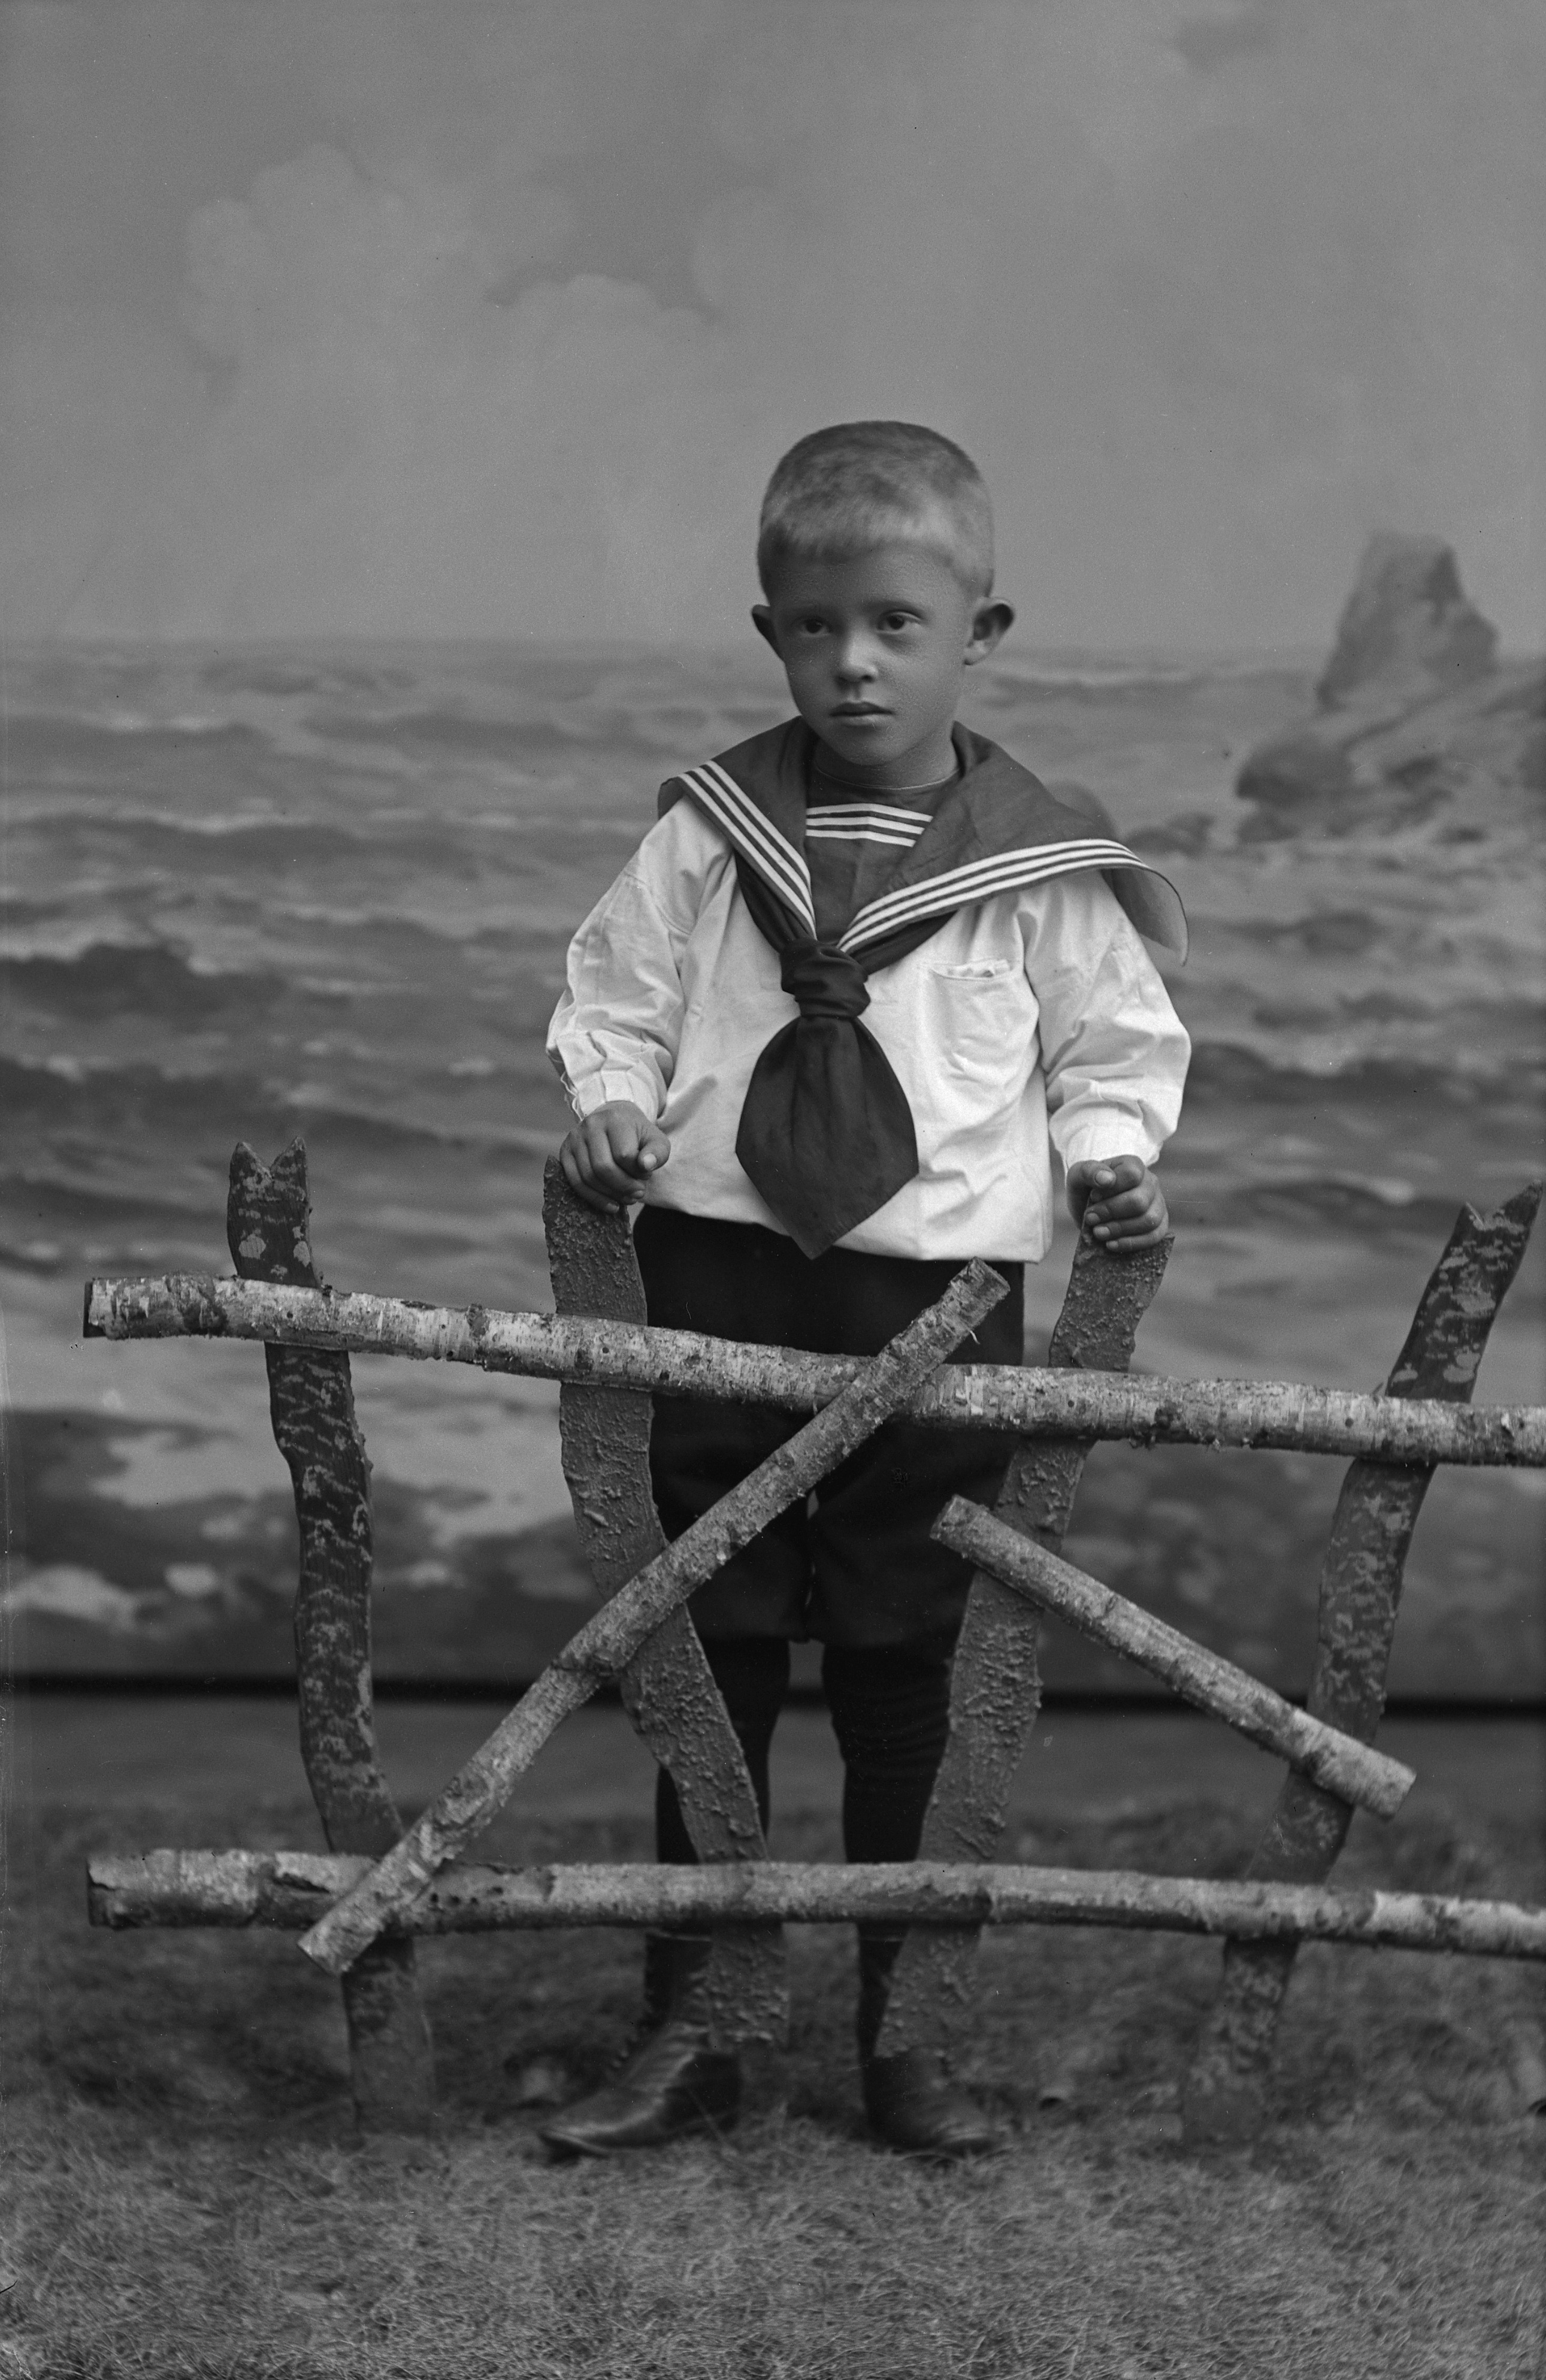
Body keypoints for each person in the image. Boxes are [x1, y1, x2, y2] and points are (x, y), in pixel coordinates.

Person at [541, 421, 1190, 2159]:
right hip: (715, 1279)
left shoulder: (1037, 865)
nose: (856, 663)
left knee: (915, 1659)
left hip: (934, 1312)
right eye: (818, 626)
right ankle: (698, 2032)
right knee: (710, 1649)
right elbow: (613, 995)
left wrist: (1111, 1153)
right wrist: (611, 1100)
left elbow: (1113, 1046)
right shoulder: (710, 835)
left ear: (981, 632)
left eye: (899, 624)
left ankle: (913, 2038)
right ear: (771, 630)